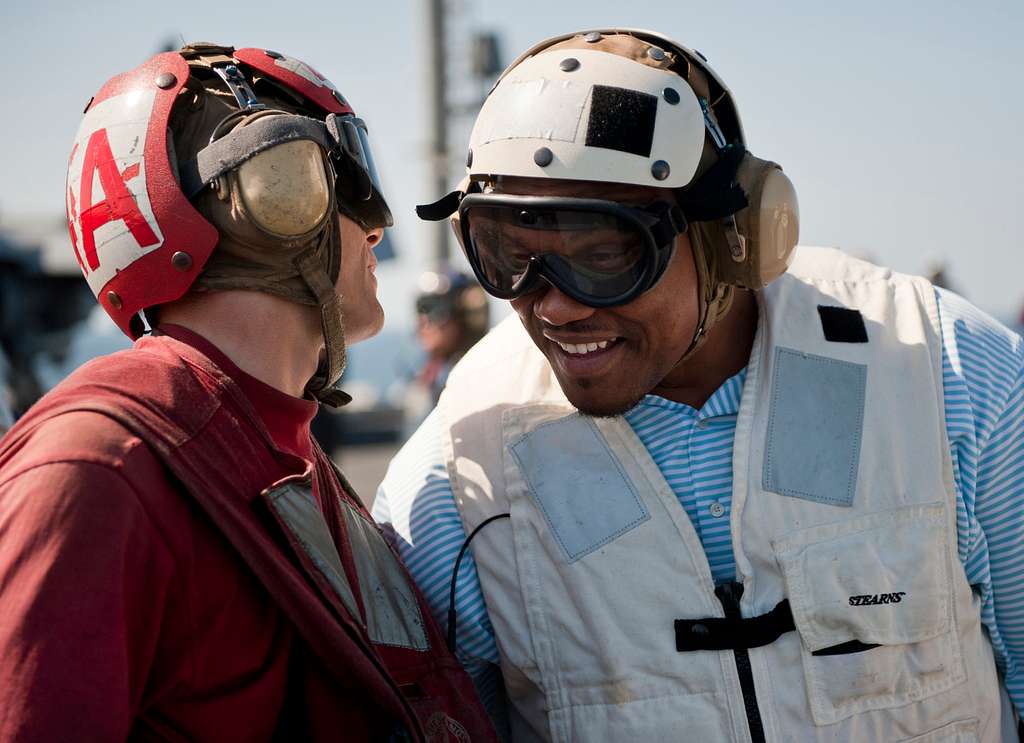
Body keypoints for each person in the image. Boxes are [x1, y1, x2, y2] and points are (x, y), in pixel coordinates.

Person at [374, 29, 1024, 742]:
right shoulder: (457, 478)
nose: (555, 305)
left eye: (604, 254)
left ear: (732, 236)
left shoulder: (946, 375)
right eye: (508, 254)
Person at [0, 43, 494, 742]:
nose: (377, 227)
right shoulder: (97, 473)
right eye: (347, 179)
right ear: (277, 190)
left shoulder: (276, 450)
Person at [404, 270, 490, 429]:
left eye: (433, 308)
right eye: (421, 308)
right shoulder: (426, 378)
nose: (423, 321)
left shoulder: (483, 382)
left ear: (467, 317)